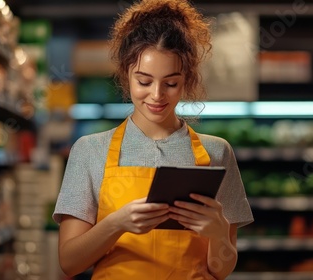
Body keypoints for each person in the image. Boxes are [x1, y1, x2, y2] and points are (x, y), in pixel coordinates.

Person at [53, 0, 254, 279]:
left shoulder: (217, 153)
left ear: (187, 79)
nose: (157, 95)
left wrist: (219, 234)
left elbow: (221, 269)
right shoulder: (90, 151)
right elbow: (69, 262)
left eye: (170, 83)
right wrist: (116, 224)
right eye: (144, 82)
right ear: (126, 75)